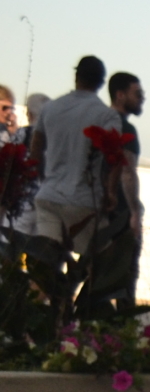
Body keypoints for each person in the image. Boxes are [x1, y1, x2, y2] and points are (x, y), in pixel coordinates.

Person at [27, 56, 117, 256]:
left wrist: (43, 179)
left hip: (48, 197)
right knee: (102, 264)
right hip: (83, 201)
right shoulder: (106, 115)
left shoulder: (50, 108)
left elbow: (36, 149)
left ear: (76, 76)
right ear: (101, 82)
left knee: (46, 268)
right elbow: (114, 156)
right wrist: (110, 192)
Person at [92, 71, 147, 312]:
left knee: (96, 272)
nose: (142, 98)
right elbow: (127, 170)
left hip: (94, 206)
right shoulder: (125, 129)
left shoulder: (96, 122)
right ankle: (123, 330)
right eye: (138, 94)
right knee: (126, 273)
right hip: (120, 210)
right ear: (120, 94)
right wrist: (134, 211)